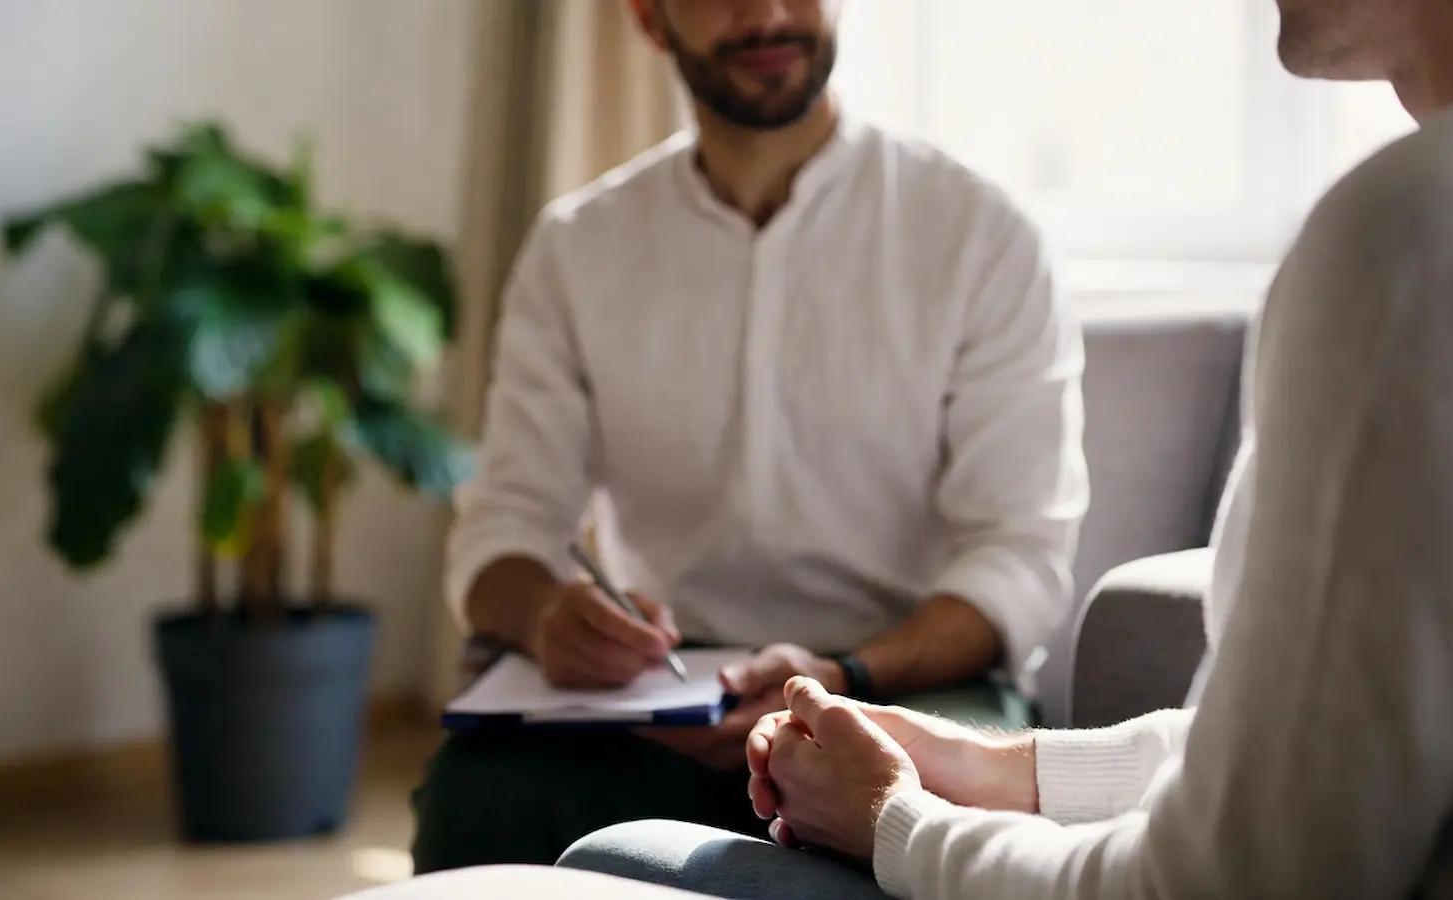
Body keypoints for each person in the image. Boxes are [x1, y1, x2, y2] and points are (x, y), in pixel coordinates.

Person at [558, 0, 1453, 897]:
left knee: (615, 862)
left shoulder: (1422, 237)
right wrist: (984, 765)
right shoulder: (1442, 220)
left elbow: (1233, 882)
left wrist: (896, 820)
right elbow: (1307, 755)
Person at [409, 0, 1089, 875]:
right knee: (477, 799)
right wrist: (544, 615)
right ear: (650, 19)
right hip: (661, 700)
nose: (766, 13)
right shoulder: (578, 247)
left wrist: (844, 677)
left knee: (957, 816)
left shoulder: (982, 234)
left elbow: (1018, 557)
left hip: (905, 688)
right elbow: (503, 526)